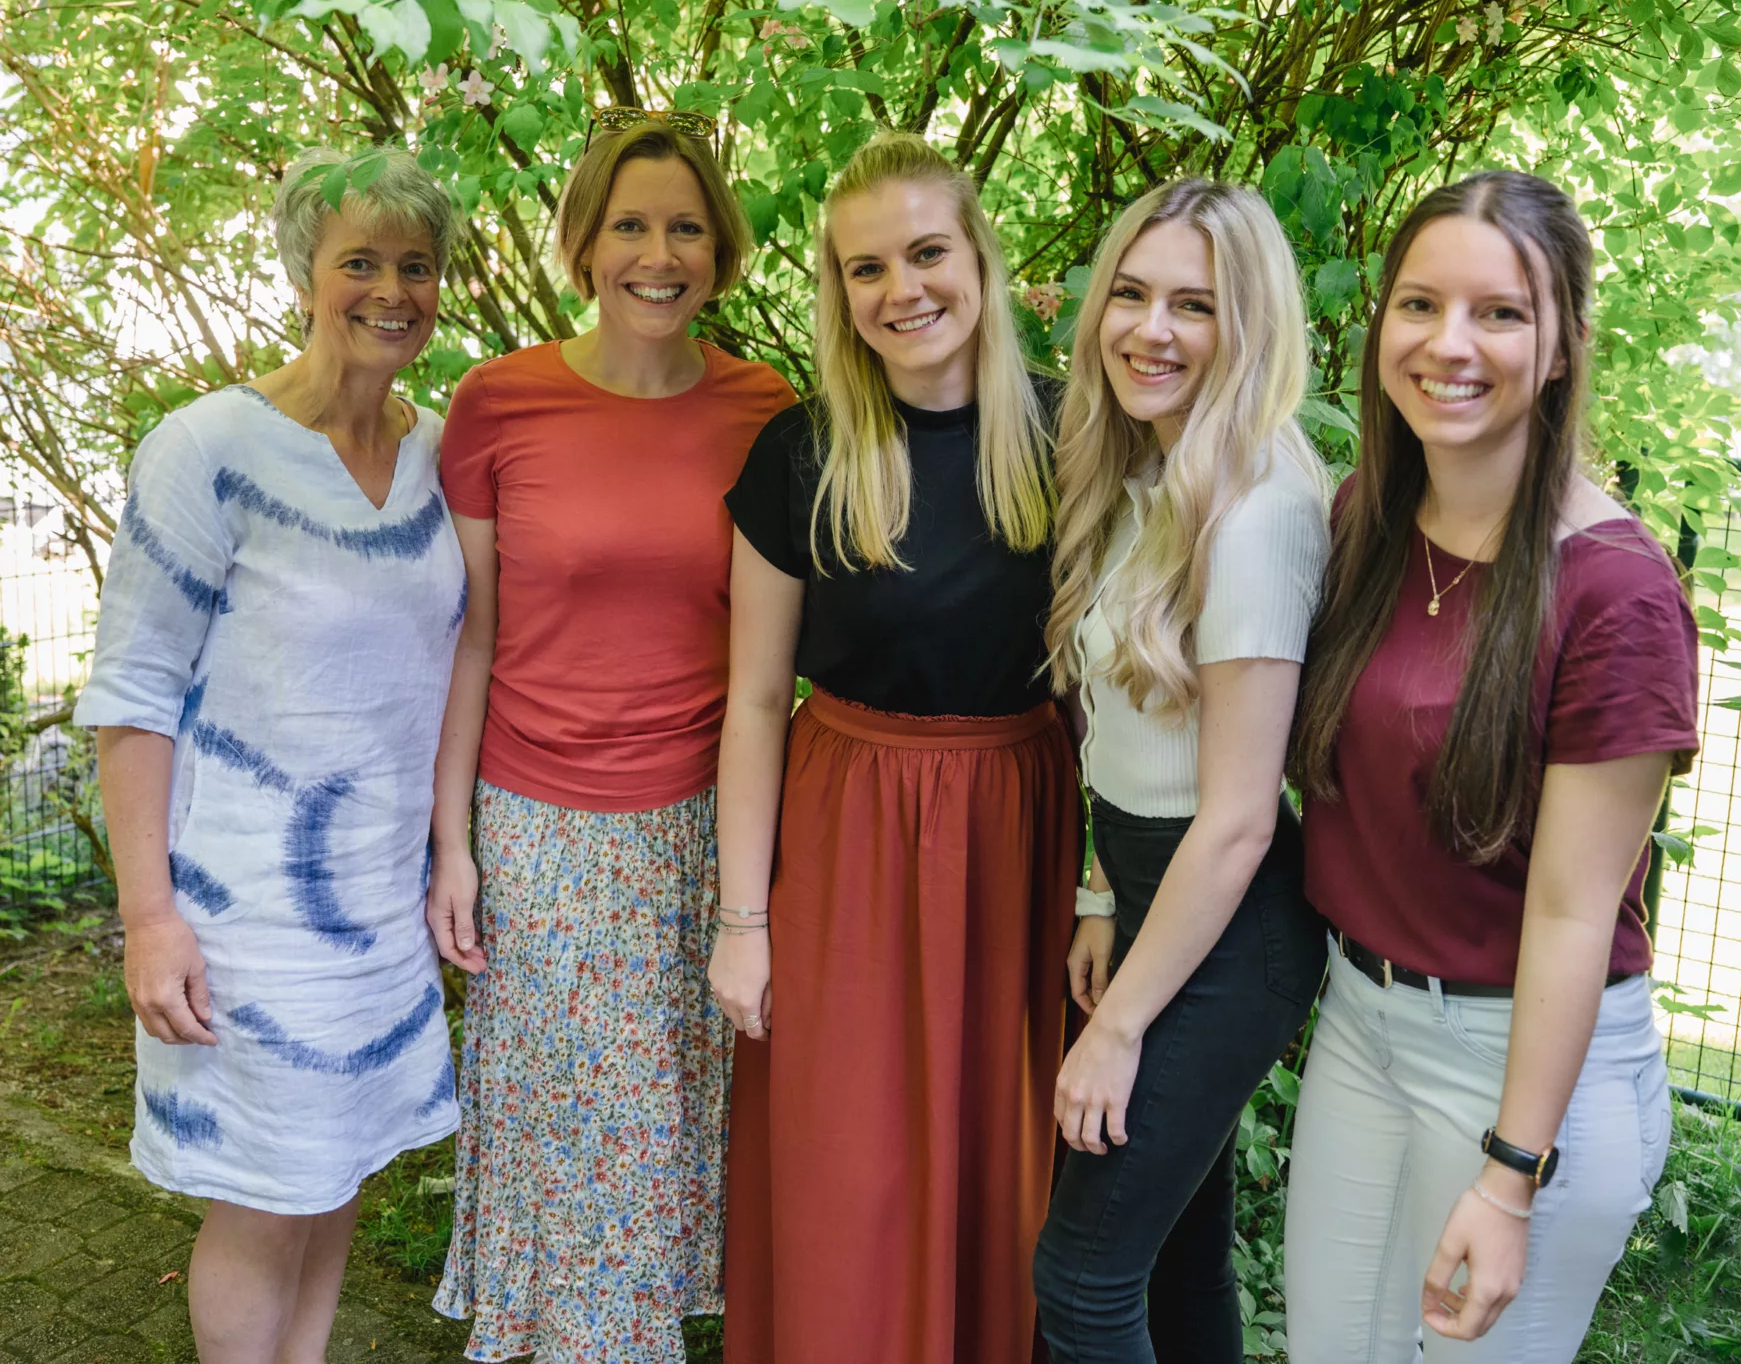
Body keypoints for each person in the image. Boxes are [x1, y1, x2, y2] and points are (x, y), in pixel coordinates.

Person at [1281, 171, 1698, 1362]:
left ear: (1562, 344)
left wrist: (1513, 1175)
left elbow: (1574, 913)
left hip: (1522, 1064)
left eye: (1500, 314)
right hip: (1361, 1024)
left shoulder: (1616, 594)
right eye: (1419, 305)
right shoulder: (1367, 520)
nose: (1447, 344)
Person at [75, 145, 464, 1363]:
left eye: (416, 264)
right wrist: (151, 918)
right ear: (307, 270)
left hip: (381, 902)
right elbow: (132, 698)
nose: (391, 289)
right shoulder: (205, 452)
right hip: (243, 914)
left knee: (336, 1174)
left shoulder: (445, 455)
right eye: (361, 261)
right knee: (264, 1198)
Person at [425, 112, 795, 1363]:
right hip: (539, 831)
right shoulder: (498, 401)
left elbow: (773, 665)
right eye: (630, 225)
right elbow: (468, 638)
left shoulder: (768, 411)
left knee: (660, 1135)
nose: (658, 253)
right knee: (562, 1133)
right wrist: (453, 847)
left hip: (704, 831)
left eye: (686, 227)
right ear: (584, 244)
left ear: (721, 250)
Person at [711, 130, 1078, 1363]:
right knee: (844, 1160)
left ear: (979, 256)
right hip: (847, 831)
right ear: (839, 291)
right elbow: (756, 700)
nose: (901, 290)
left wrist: (1099, 888)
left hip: (1018, 829)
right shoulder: (800, 453)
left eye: (927, 252)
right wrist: (742, 921)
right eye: (866, 269)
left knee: (997, 1153)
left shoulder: (1075, 439)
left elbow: (1126, 689)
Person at [1027, 179, 1331, 1361]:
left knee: (1084, 1276)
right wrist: (1102, 890)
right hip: (1153, 891)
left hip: (1229, 921)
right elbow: (1124, 732)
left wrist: (1117, 1030)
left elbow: (1241, 820)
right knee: (1178, 1250)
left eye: (1193, 305)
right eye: (1133, 295)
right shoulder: (1150, 471)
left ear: (1246, 327)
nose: (1151, 329)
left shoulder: (1254, 508)